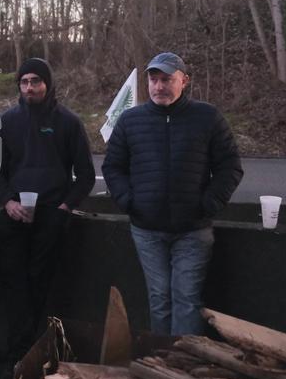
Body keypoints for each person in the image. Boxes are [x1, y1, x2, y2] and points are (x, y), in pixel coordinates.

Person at [103, 52, 243, 336]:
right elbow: (113, 167)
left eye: (166, 79)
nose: (159, 86)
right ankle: (162, 357)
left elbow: (230, 166)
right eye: (154, 80)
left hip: (193, 230)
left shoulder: (207, 117)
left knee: (187, 300)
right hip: (147, 230)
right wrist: (128, 201)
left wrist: (209, 203)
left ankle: (185, 360)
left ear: (184, 81)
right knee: (159, 299)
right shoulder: (130, 121)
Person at [0, 58, 95, 379]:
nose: (30, 87)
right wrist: (7, 201)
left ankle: (38, 361)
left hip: (51, 215)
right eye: (24, 82)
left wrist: (64, 207)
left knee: (41, 288)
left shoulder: (68, 122)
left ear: (47, 84)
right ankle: (14, 361)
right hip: (14, 216)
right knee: (15, 288)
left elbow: (85, 175)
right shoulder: (7, 122)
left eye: (36, 81)